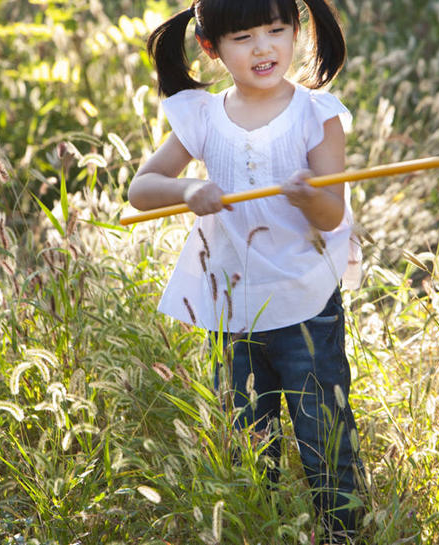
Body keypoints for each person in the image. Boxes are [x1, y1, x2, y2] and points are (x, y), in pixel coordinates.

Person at [127, 0, 363, 541]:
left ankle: (343, 534)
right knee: (249, 445)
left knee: (323, 438)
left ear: (298, 31)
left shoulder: (317, 114)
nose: (263, 47)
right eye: (243, 37)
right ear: (212, 49)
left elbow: (333, 214)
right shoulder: (204, 116)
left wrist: (311, 197)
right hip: (230, 309)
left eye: (277, 30)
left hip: (306, 303)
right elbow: (141, 190)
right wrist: (186, 190)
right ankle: (263, 530)